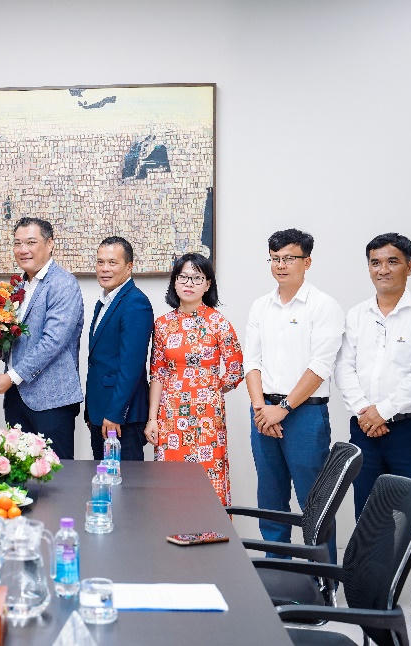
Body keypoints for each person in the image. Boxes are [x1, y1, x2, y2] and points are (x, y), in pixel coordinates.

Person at [334, 233, 411, 632]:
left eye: (392, 261)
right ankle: (374, 595)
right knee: (370, 514)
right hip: (365, 428)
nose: (382, 269)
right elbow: (343, 368)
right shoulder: (356, 315)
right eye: (375, 262)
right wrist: (365, 412)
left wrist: (381, 411)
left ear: (409, 267)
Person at [243, 228, 344, 558]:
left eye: (289, 258)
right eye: (275, 258)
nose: (280, 265)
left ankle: (322, 577)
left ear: (307, 262)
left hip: (304, 414)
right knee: (270, 496)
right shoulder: (260, 306)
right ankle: (278, 569)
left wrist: (283, 408)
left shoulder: (324, 306)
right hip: (263, 413)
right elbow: (251, 362)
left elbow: (320, 366)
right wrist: (261, 408)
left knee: (313, 501)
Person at [0, 217, 84, 460]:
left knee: (55, 474)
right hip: (16, 398)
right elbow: (10, 339)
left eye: (31, 242)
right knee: (19, 471)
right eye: (17, 243)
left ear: (50, 244)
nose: (23, 250)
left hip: (51, 400)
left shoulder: (63, 283)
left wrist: (11, 377)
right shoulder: (18, 286)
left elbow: (53, 341)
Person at [146, 253, 243, 504]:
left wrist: (209, 389)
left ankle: (211, 530)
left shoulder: (218, 322)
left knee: (207, 482)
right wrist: (152, 419)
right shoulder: (163, 325)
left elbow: (235, 370)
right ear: (174, 282)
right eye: (183, 277)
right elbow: (157, 373)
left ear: (208, 284)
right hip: (170, 415)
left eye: (197, 278)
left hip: (207, 418)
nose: (189, 283)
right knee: (170, 482)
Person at [84, 236, 153, 461]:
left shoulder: (135, 303)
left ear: (129, 266)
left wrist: (115, 413)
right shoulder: (105, 301)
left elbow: (131, 366)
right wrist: (92, 410)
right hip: (100, 413)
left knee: (126, 481)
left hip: (121, 418)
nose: (105, 268)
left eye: (112, 262)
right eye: (100, 262)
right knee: (103, 477)